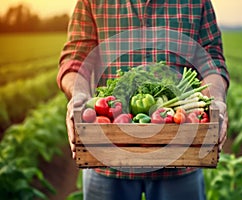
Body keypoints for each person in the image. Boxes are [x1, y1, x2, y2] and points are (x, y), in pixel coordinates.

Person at [57, 0, 229, 199]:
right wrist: (79, 95)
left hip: (181, 155)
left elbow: (211, 59)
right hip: (107, 155)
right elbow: (76, 58)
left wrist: (216, 98)